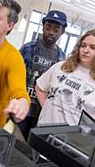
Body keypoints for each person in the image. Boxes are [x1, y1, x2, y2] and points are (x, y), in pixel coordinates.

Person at [35, 29, 95, 126]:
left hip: (71, 139)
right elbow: (39, 88)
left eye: (93, 47)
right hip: (42, 131)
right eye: (83, 45)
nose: (86, 50)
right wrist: (47, 110)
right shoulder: (61, 67)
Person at [18, 10, 67, 138]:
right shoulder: (27, 49)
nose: (51, 32)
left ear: (62, 31)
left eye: (56, 29)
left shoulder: (62, 59)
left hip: (42, 114)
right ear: (43, 26)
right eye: (48, 27)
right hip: (22, 109)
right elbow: (15, 77)